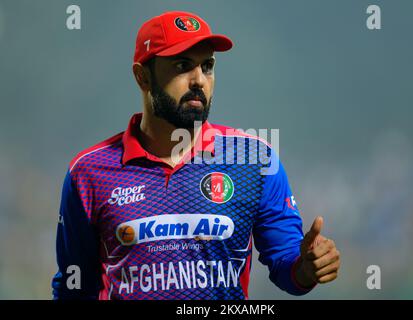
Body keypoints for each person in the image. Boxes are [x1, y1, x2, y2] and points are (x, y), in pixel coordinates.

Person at [52, 10, 340, 300]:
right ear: (142, 77)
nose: (199, 80)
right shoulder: (88, 172)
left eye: (207, 66)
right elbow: (73, 288)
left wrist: (307, 267)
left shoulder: (254, 160)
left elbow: (286, 264)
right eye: (182, 65)